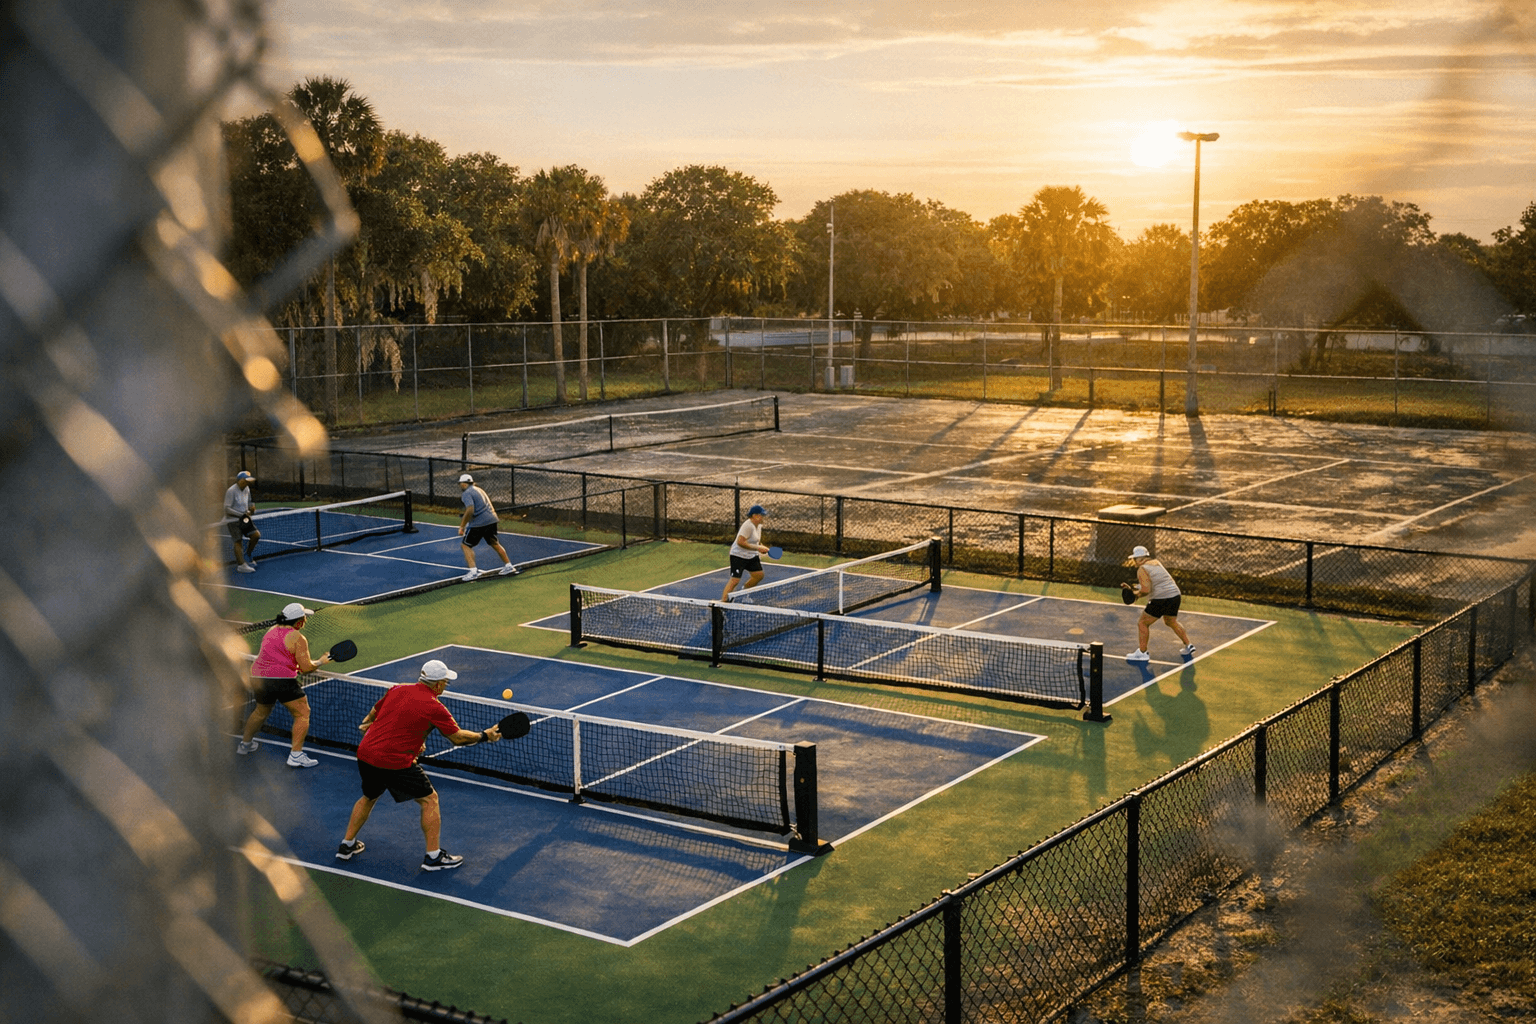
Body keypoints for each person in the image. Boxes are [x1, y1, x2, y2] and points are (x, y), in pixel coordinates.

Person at [334, 658, 502, 871]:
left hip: (366, 754)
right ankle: (433, 857)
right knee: (429, 799)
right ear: (438, 684)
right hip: (394, 761)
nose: (446, 685)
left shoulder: (397, 689)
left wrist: (372, 727)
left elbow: (374, 715)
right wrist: (485, 736)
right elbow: (457, 738)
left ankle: (347, 845)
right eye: (445, 682)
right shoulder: (434, 707)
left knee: (369, 796)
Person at [237, 602, 332, 766]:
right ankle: (296, 755)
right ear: (299, 622)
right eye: (304, 617)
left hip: (259, 677)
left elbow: (277, 657)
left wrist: (295, 666)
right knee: (302, 713)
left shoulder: (271, 631)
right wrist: (321, 661)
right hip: (281, 680)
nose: (306, 620)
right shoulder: (298, 638)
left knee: (260, 711)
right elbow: (306, 668)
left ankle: (245, 744)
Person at [1122, 545, 1195, 662]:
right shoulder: (1156, 563)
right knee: (1171, 621)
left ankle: (1142, 653)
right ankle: (1188, 645)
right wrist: (1134, 590)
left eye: (1135, 559)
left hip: (1161, 598)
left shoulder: (1142, 569)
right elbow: (1153, 583)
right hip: (1175, 596)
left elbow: (1146, 590)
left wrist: (1135, 595)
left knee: (1142, 623)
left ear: (1140, 558)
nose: (1134, 561)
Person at [457, 473, 517, 581]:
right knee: (494, 543)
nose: (460, 486)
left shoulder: (466, 493)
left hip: (480, 523)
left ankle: (473, 572)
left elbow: (470, 509)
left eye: (460, 483)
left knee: (465, 545)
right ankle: (509, 566)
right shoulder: (479, 490)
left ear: (465, 484)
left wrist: (462, 526)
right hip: (492, 519)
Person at [721, 505, 770, 602]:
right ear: (755, 516)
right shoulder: (748, 526)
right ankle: (723, 602)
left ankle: (744, 593)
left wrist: (762, 547)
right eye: (761, 515)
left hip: (751, 555)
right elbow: (740, 542)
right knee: (735, 580)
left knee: (758, 575)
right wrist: (757, 548)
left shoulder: (759, 526)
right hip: (738, 555)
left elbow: (755, 540)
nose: (763, 517)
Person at [223, 470, 260, 572]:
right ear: (240, 480)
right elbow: (227, 509)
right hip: (233, 520)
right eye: (245, 480)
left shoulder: (247, 489)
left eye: (248, 481)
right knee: (238, 541)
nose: (247, 482)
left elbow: (249, 503)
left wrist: (251, 508)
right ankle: (241, 565)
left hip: (244, 519)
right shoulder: (231, 491)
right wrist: (241, 514)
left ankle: (247, 555)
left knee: (256, 535)